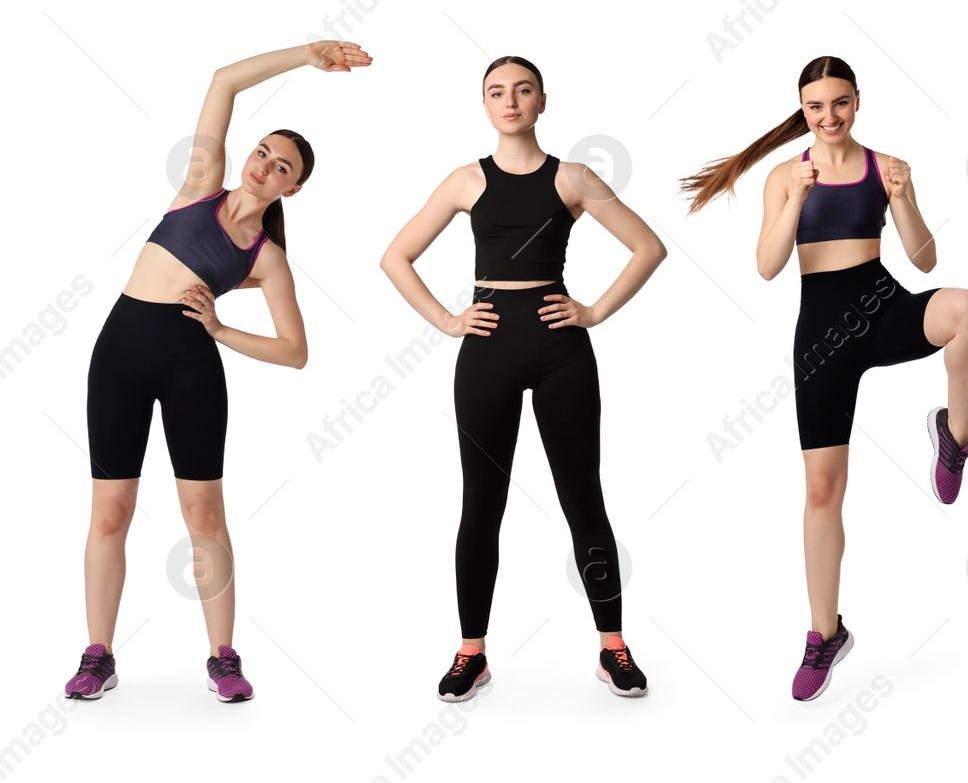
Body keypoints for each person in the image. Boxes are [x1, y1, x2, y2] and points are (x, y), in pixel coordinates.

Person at [679, 56, 968, 701]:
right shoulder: (784, 175)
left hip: (883, 305)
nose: (829, 117)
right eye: (816, 106)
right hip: (822, 332)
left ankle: (954, 438)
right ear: (803, 108)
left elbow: (926, 257)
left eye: (840, 104)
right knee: (822, 490)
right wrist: (793, 198)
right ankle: (825, 634)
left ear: (858, 103)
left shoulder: (886, 166)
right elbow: (767, 267)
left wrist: (903, 199)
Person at [66, 41, 370, 703]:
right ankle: (98, 654)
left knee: (203, 512)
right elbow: (223, 80)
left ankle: (223, 657)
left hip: (191, 365)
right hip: (120, 352)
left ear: (295, 187)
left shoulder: (267, 260)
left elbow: (296, 350)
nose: (265, 166)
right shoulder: (201, 185)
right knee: (110, 512)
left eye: (282, 166)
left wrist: (222, 330)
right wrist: (307, 57)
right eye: (263, 152)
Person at [381, 56, 667, 702]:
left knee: (582, 498)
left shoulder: (573, 177)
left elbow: (649, 247)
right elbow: (394, 257)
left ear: (542, 101)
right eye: (496, 92)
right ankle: (471, 653)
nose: (509, 100)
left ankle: (612, 646)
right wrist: (449, 320)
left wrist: (592, 311)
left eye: (522, 90)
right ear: (484, 106)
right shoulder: (465, 180)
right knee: (481, 504)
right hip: (486, 351)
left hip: (560, 349)